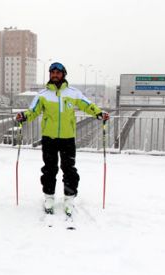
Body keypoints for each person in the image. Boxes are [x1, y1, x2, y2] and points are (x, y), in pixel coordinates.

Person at [15, 62, 109, 215]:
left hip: (67, 138)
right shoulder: (43, 95)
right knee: (49, 169)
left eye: (58, 72)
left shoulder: (73, 93)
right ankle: (49, 197)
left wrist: (99, 113)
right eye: (52, 72)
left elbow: (87, 105)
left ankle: (69, 198)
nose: (55, 75)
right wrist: (23, 116)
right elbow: (33, 111)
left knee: (69, 169)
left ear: (64, 74)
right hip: (49, 138)